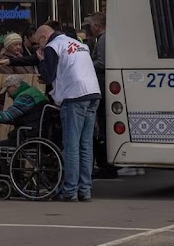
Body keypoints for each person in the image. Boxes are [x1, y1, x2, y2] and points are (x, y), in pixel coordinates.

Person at [32, 23, 100, 202]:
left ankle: (70, 190)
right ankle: (85, 189)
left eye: (38, 44)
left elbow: (47, 76)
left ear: (43, 38)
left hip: (74, 96)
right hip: (92, 93)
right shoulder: (78, 44)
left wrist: (41, 60)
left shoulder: (53, 47)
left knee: (71, 145)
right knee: (86, 145)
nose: (39, 48)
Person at [86, 12, 117, 179]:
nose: (90, 29)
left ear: (97, 26)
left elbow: (102, 63)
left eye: (91, 26)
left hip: (103, 85)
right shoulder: (104, 39)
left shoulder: (103, 40)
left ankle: (107, 165)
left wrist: (87, 62)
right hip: (103, 85)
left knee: (103, 126)